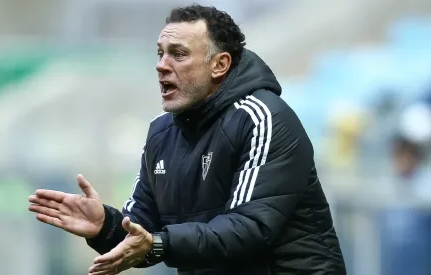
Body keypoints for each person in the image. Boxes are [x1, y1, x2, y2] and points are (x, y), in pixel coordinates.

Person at [28, 4, 346, 275]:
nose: (162, 65)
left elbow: (250, 230)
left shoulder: (262, 118)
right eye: (160, 53)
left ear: (220, 65)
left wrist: (160, 242)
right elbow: (141, 232)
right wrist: (106, 226)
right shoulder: (161, 133)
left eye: (178, 54)